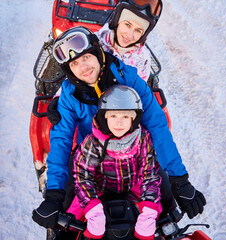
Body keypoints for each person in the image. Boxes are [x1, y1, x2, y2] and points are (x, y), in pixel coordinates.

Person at [32, 26, 206, 231]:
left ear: (97, 52)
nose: (83, 67)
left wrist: (180, 180)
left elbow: (157, 124)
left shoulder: (129, 78)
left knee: (166, 202)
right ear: (70, 70)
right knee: (65, 213)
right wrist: (54, 194)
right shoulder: (70, 96)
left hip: (135, 154)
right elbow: (61, 141)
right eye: (74, 63)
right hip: (89, 159)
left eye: (86, 57)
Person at [67, 85, 162, 239]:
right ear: (105, 117)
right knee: (70, 217)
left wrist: (149, 211)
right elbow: (82, 175)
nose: (119, 123)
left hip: (134, 185)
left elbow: (149, 174)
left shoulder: (143, 139)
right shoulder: (93, 142)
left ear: (134, 118)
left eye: (125, 117)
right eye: (113, 116)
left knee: (159, 214)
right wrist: (92, 208)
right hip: (99, 188)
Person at [95, 0, 163, 81]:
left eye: (138, 30)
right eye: (127, 25)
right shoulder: (96, 41)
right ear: (117, 22)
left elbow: (139, 90)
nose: (130, 35)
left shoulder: (143, 59)